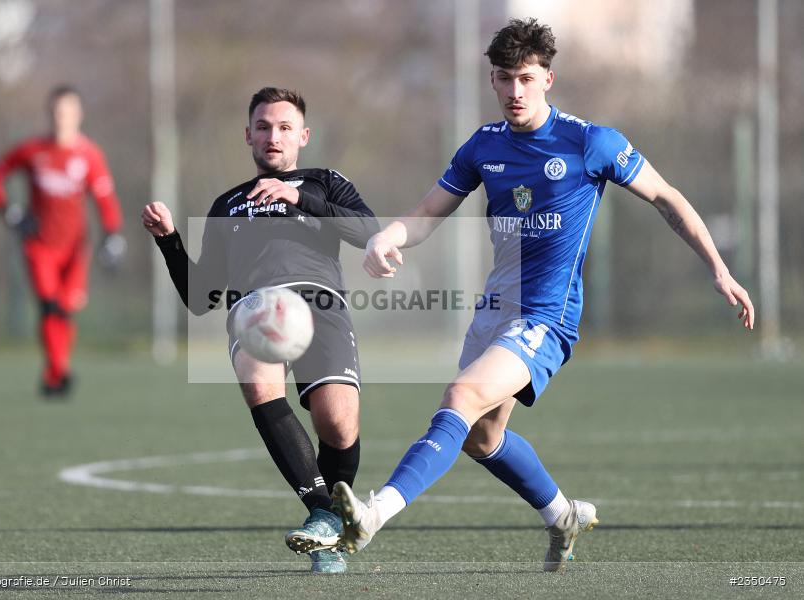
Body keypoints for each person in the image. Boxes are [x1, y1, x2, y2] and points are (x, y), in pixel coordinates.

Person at [332, 18, 755, 571]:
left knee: (459, 397)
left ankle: (372, 516)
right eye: (505, 79)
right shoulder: (483, 146)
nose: (515, 91)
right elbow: (428, 213)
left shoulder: (590, 142)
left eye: (526, 78)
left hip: (546, 316)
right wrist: (390, 235)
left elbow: (667, 198)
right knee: (482, 438)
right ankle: (562, 515)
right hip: (495, 309)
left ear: (548, 79)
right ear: (492, 81)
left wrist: (719, 269)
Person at [141, 87, 379, 574]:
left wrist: (299, 196)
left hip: (320, 303)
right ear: (248, 134)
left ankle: (331, 528)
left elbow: (367, 231)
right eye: (264, 127)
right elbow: (203, 297)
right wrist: (169, 243)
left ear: (303, 136)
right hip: (254, 308)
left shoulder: (325, 181)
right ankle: (322, 516)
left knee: (338, 423)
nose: (274, 136)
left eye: (285, 127)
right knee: (257, 376)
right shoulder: (227, 204)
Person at [0, 85, 126, 397]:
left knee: (65, 308)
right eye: (57, 112)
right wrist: (10, 213)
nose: (62, 119)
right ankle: (58, 372)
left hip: (75, 248)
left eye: (68, 112)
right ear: (50, 114)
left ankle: (56, 371)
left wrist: (111, 236)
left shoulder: (89, 155)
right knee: (48, 306)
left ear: (79, 115)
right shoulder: (34, 151)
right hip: (40, 246)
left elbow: (106, 200)